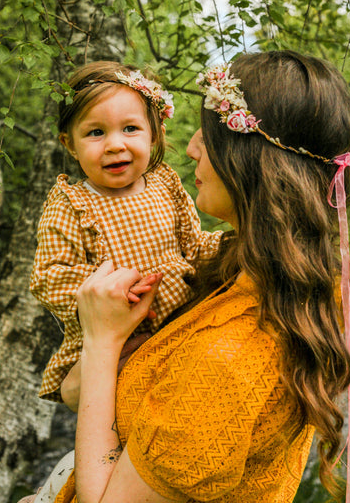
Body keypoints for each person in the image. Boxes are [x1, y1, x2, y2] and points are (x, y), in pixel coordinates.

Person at [27, 50, 350, 503]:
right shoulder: (267, 273)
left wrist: (102, 343)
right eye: (96, 132)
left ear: (248, 157)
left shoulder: (231, 357)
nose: (189, 147)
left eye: (210, 135)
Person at [30, 61, 222, 403]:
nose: (115, 145)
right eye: (95, 133)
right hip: (115, 342)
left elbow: (193, 247)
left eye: (130, 128)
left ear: (155, 132)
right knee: (122, 416)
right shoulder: (72, 203)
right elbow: (49, 276)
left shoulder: (165, 184)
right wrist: (113, 288)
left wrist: (229, 246)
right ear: (70, 144)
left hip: (181, 324)